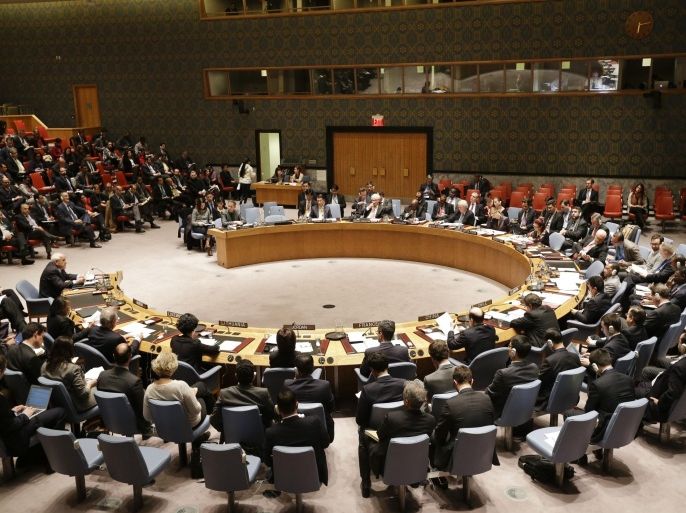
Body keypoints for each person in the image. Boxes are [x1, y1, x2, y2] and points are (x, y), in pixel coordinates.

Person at [356, 352, 406, 497]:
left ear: (372, 370)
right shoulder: (403, 384)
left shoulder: (368, 390)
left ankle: (366, 482)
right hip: (399, 428)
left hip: (376, 434)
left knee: (362, 433)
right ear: (387, 366)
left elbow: (360, 420)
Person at [0, 354, 66, 463]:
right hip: (14, 439)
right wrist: (25, 415)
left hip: (7, 434)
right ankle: (55, 458)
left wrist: (12, 411)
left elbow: (3, 418)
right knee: (60, 412)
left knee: (42, 413)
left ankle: (39, 451)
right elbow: (10, 425)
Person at [368, 381, 435, 479]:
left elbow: (380, 435)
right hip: (417, 463)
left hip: (391, 463)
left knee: (366, 438)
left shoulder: (392, 418)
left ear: (406, 401)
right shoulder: (430, 420)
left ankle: (367, 480)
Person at [432, 366, 496, 470]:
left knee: (434, 436)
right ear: (472, 381)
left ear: (454, 383)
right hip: (483, 450)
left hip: (458, 453)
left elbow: (440, 435)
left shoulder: (451, 404)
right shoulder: (486, 398)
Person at [265, 388, 330, 486]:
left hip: (284, 475)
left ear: (277, 409)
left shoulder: (271, 432)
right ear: (297, 404)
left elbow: (267, 461)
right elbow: (326, 443)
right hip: (314, 473)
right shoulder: (314, 422)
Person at [96, 343, 153, 437]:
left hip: (109, 419)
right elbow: (141, 411)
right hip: (130, 422)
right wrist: (146, 430)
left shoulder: (102, 375)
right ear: (130, 357)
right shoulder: (134, 381)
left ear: (114, 356)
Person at [210, 359, 274, 441]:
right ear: (254, 376)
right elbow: (271, 415)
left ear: (236, 376)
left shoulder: (224, 394)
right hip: (258, 440)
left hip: (232, 439)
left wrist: (227, 429)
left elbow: (213, 420)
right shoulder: (263, 393)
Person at [143, 351, 208, 429]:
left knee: (199, 386)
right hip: (188, 425)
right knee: (201, 398)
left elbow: (147, 417)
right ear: (174, 367)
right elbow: (196, 411)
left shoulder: (149, 389)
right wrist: (193, 396)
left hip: (165, 426)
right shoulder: (181, 386)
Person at [584, 348, 635, 444]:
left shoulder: (597, 384)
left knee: (569, 414)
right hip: (627, 426)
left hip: (605, 428)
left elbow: (589, 411)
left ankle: (580, 456)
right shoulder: (629, 379)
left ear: (594, 366)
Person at [284, 354, 335, 442]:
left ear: (296, 370)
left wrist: (294, 379)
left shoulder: (287, 385)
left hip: (294, 430)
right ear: (312, 368)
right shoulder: (324, 385)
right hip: (321, 431)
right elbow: (331, 408)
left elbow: (285, 409)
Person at [636, 334, 686, 423]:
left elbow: (673, 392)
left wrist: (660, 402)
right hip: (659, 388)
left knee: (629, 391)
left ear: (683, 345)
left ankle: (638, 422)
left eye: (679, 341)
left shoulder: (679, 367)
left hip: (658, 402)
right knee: (639, 382)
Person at [485, 335, 539, 416]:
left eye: (509, 346)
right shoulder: (535, 367)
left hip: (504, 412)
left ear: (513, 351)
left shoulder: (503, 373)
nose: (508, 348)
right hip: (527, 408)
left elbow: (489, 394)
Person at [41, 336, 97, 412]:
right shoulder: (73, 369)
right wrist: (90, 383)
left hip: (60, 404)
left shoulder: (44, 366)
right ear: (69, 351)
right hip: (79, 404)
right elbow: (83, 395)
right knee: (103, 389)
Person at [536, 329, 580, 410]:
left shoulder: (549, 360)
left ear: (549, 342)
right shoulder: (575, 357)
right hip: (571, 396)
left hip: (551, 399)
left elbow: (539, 382)